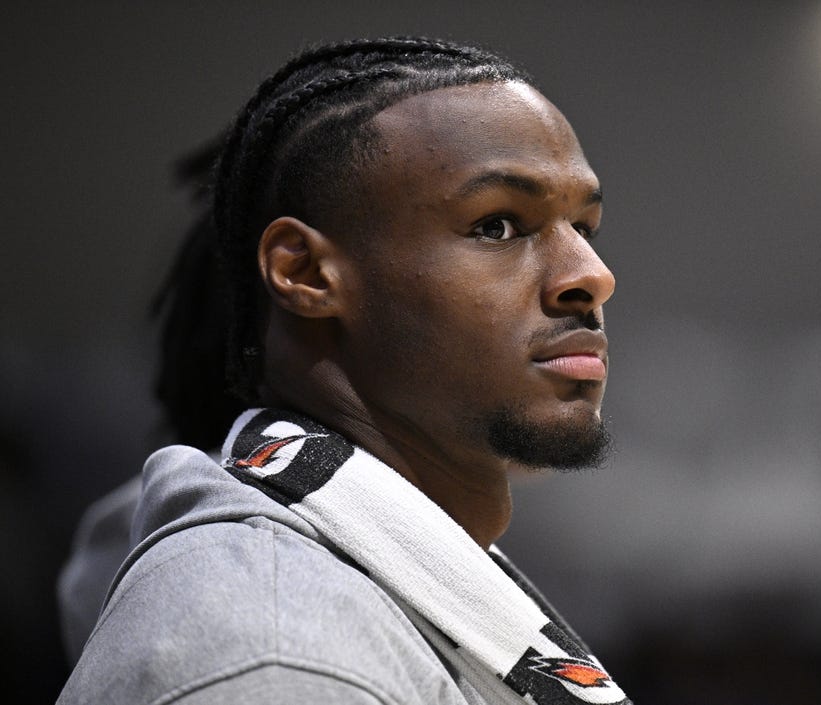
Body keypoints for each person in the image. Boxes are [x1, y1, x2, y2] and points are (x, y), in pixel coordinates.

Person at [58, 37, 631, 705]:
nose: (592, 276)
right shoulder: (278, 655)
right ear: (305, 273)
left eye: (583, 227)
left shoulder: (355, 592)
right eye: (498, 225)